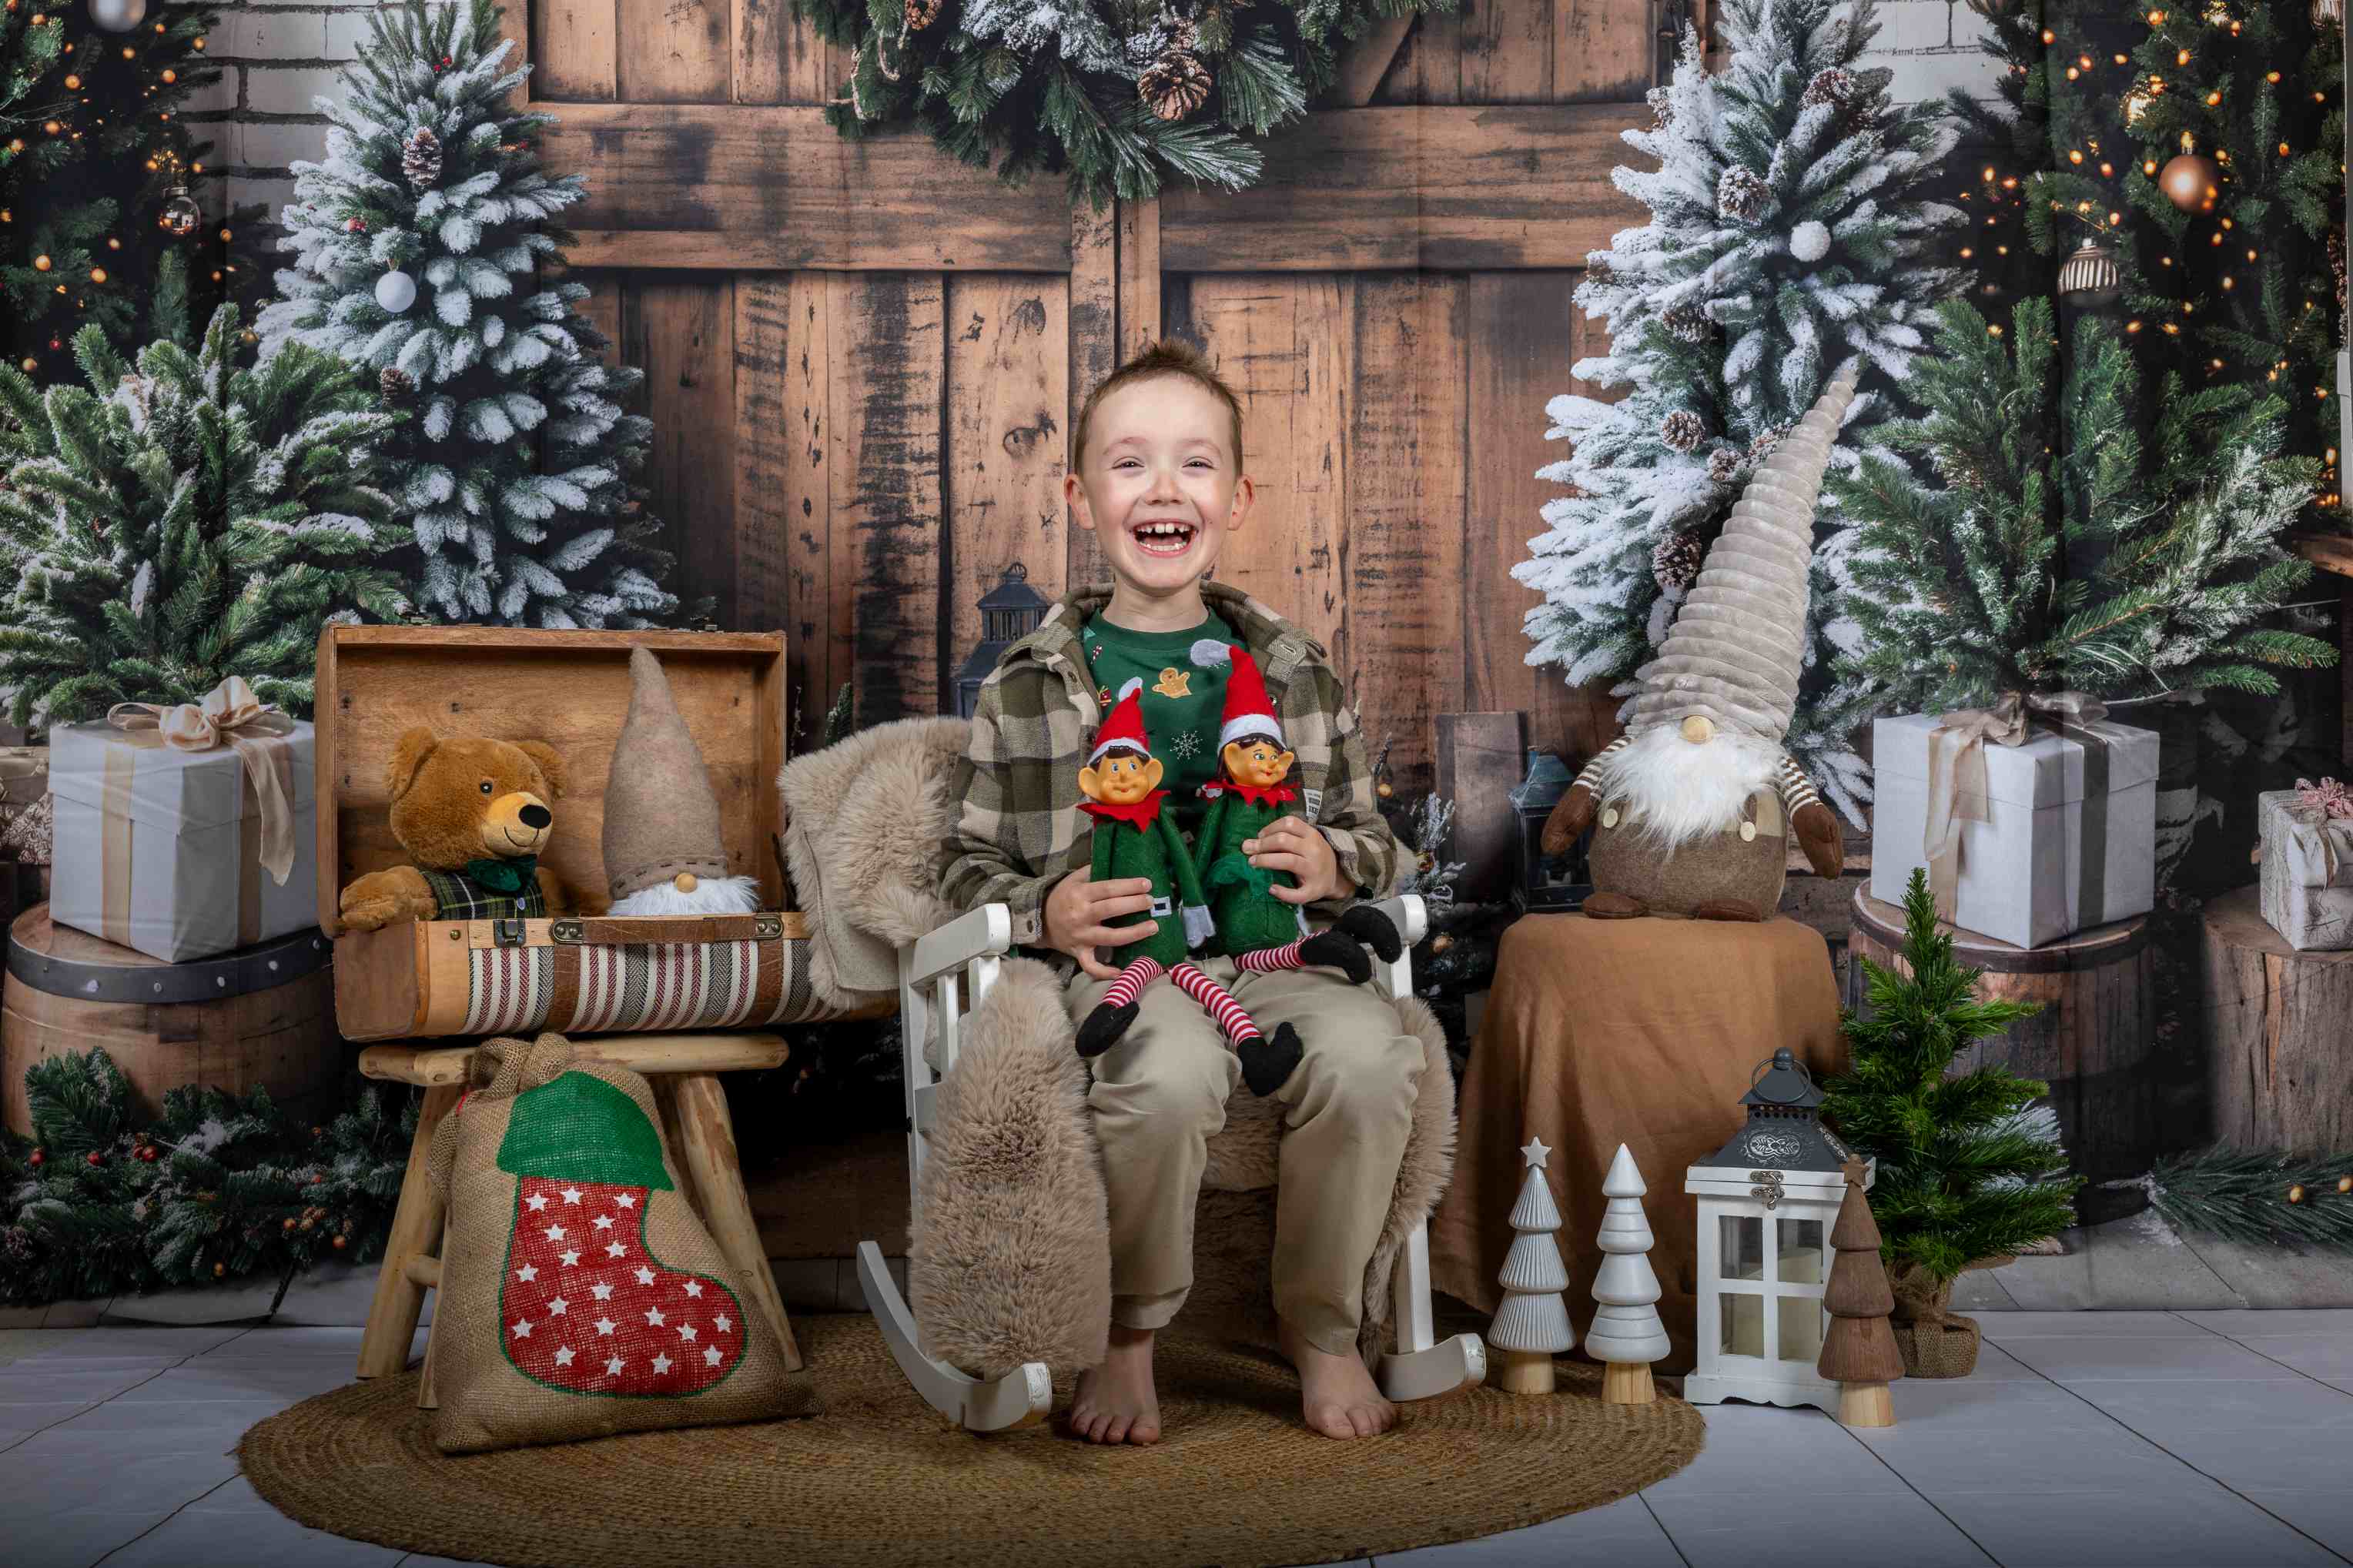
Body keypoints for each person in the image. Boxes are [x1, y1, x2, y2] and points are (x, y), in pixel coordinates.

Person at [939, 338, 1421, 1446]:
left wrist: (1336, 863)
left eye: (1195, 465)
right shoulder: (1030, 681)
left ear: (1238, 497)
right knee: (1167, 1069)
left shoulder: (1292, 667)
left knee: (1372, 1053)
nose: (1164, 490)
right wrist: (1043, 912)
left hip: (1272, 962)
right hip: (1129, 972)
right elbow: (960, 869)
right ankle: (1130, 1333)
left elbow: (1379, 841)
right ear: (1080, 497)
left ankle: (1324, 1325)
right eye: (1130, 465)